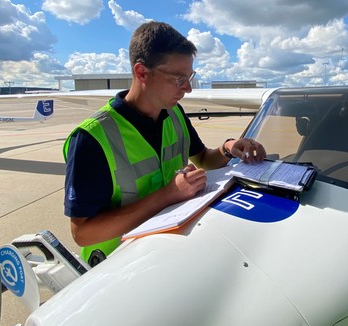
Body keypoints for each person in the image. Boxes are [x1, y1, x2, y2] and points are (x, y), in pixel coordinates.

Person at [63, 21, 266, 266]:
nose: (188, 89)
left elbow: (202, 158)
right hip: (118, 263)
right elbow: (83, 234)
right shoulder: (92, 138)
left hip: (167, 248)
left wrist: (228, 147)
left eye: (190, 77)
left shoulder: (174, 114)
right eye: (179, 79)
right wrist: (167, 195)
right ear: (141, 72)